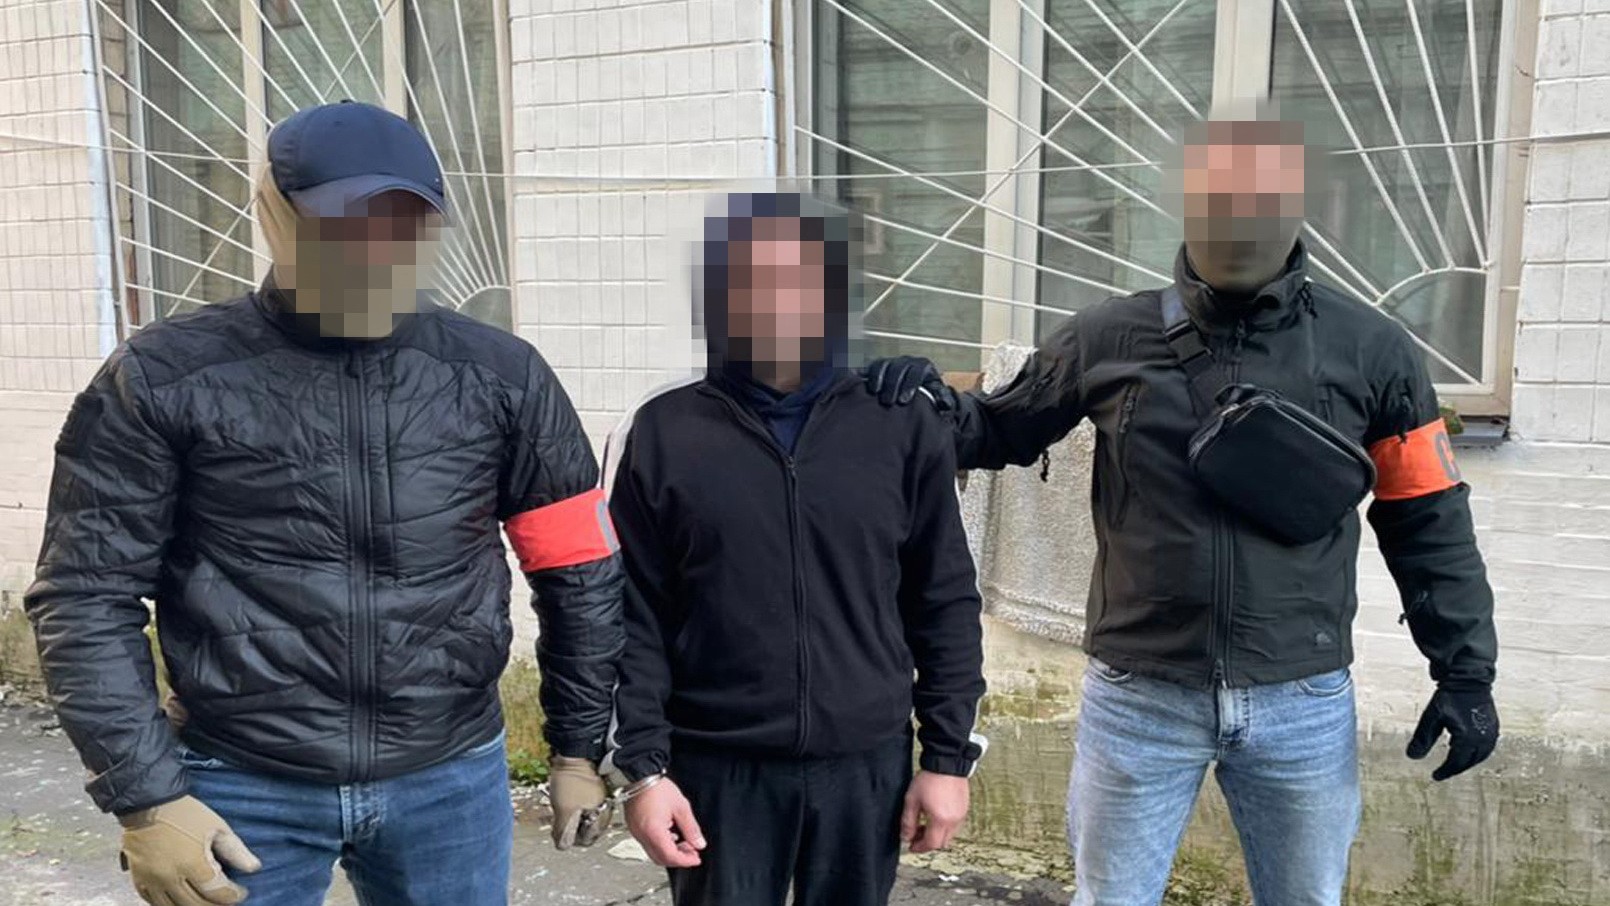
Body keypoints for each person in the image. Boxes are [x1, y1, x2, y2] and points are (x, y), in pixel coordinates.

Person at [863, 115, 1500, 906]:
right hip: (1140, 696)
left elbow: (1428, 518)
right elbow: (996, 430)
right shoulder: (1107, 337)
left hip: (1300, 698)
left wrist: (1466, 671)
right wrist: (923, 401)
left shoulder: (1372, 348)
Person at [25, 100, 623, 906]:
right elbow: (85, 594)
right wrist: (147, 796)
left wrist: (578, 749)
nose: (375, 251)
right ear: (277, 218)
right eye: (345, 225)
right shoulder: (163, 379)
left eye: (402, 227)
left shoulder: (501, 376)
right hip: (241, 784)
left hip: (449, 782)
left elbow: (578, 569)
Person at [600, 192, 987, 906]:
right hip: (717, 767)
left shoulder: (899, 425)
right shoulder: (661, 432)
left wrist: (947, 756)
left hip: (865, 764)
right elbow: (631, 617)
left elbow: (944, 598)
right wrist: (644, 774)